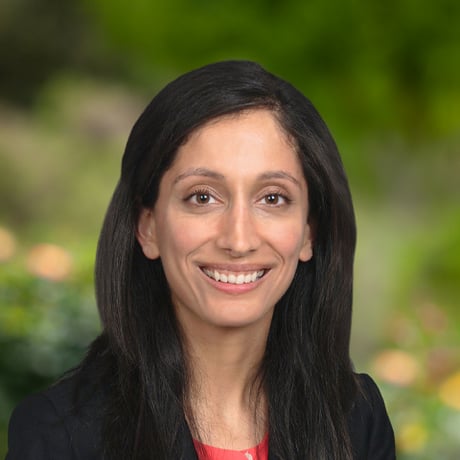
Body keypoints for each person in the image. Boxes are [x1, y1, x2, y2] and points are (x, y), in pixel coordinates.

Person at [6, 60, 395, 460]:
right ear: (148, 226)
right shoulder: (60, 436)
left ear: (309, 232)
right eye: (202, 197)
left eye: (273, 198)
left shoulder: (357, 420)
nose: (238, 240)